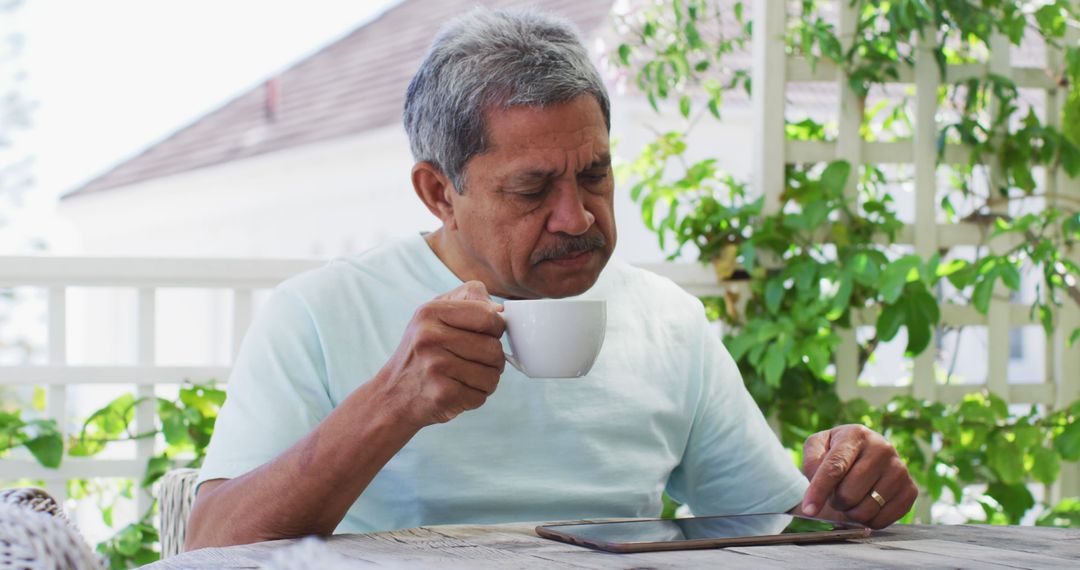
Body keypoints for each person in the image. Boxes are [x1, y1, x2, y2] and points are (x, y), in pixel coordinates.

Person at [185, 7, 917, 550]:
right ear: (439, 193)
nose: (577, 217)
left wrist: (848, 487)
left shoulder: (665, 320)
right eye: (533, 191)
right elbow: (210, 546)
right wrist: (391, 403)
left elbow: (784, 529)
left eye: (595, 175)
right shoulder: (320, 312)